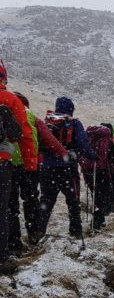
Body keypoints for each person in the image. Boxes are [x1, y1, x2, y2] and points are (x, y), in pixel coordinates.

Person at [10, 92, 67, 250]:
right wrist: (64, 153)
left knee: (11, 204)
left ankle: (12, 242)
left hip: (7, 164)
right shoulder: (32, 117)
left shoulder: (5, 113)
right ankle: (33, 232)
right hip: (29, 165)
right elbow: (48, 138)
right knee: (31, 199)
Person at [37, 97, 96, 241]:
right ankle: (76, 231)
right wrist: (93, 156)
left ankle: (37, 232)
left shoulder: (47, 122)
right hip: (67, 169)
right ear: (71, 108)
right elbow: (83, 144)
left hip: (46, 168)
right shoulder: (74, 123)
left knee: (46, 201)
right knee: (73, 201)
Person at [0, 62, 36, 273]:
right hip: (2, 162)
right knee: (2, 210)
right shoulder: (11, 100)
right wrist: (30, 164)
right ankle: (2, 258)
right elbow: (25, 135)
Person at [80, 125, 113, 231]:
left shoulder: (89, 138)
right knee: (102, 197)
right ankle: (96, 223)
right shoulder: (108, 141)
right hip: (101, 171)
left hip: (88, 171)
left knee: (95, 195)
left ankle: (100, 220)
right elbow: (113, 158)